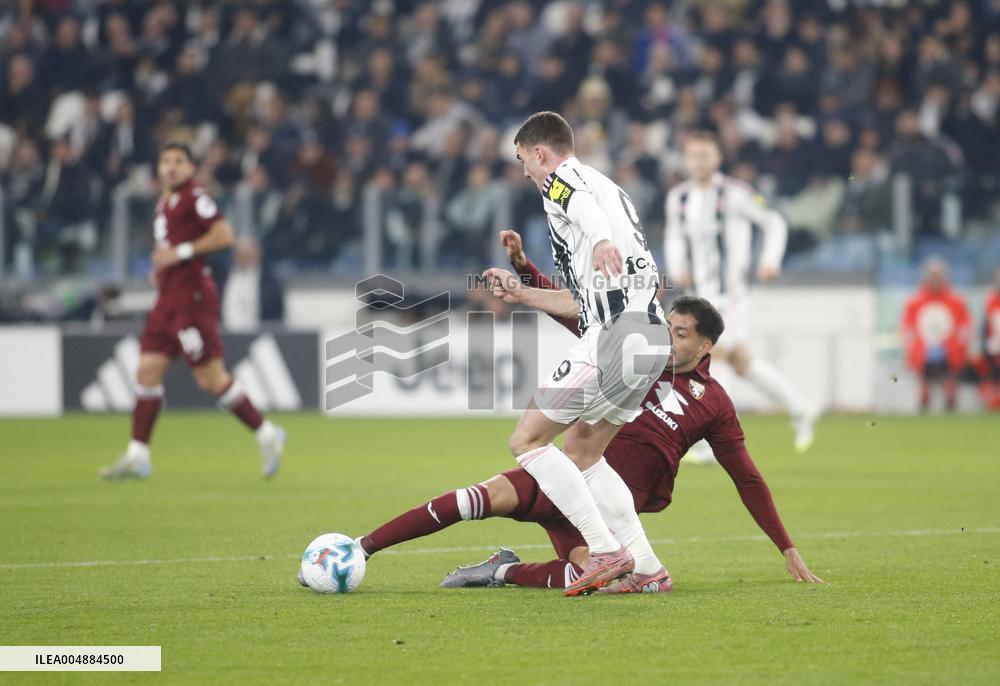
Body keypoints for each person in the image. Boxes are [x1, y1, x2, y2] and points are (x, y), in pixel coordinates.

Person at [332, 231, 821, 593]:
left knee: (599, 578)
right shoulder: (633, 351)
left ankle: (499, 570)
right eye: (667, 326)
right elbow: (571, 312)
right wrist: (524, 269)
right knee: (473, 499)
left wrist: (787, 546)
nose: (666, 336)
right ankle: (364, 547)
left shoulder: (714, 403)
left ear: (707, 345)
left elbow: (747, 478)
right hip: (565, 473)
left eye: (681, 333)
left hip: (610, 505)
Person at [481, 111, 671, 596]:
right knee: (584, 451)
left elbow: (582, 208)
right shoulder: (610, 188)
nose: (526, 173)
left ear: (541, 153)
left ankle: (604, 549)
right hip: (649, 333)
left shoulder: (565, 181)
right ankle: (647, 568)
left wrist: (601, 237)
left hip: (613, 334)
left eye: (525, 161)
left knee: (527, 441)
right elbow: (581, 298)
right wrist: (523, 289)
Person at [100, 143, 285, 480]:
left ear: (191, 168)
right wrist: (162, 270)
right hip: (167, 301)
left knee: (210, 378)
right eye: (165, 161)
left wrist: (180, 253)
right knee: (147, 372)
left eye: (179, 161)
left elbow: (225, 234)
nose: (171, 167)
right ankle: (138, 455)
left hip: (192, 302)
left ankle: (267, 434)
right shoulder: (164, 203)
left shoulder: (195, 197)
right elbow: (167, 250)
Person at [664, 130, 819, 459]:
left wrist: (769, 260)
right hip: (698, 295)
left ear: (717, 158)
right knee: (741, 362)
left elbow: (774, 221)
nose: (699, 162)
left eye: (705, 155)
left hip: (729, 295)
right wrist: (677, 266)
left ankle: (707, 440)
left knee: (709, 355)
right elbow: (674, 236)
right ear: (687, 160)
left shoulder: (736, 193)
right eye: (693, 156)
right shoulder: (678, 198)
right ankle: (801, 407)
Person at [900, 257, 972, 412]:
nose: (935, 279)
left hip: (949, 350)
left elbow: (964, 328)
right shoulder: (914, 302)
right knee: (925, 380)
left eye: (938, 275)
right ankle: (924, 402)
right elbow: (908, 329)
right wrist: (918, 349)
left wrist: (954, 348)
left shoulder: (957, 301)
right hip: (923, 350)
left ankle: (950, 403)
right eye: (932, 275)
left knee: (950, 381)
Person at [973, 268, 1000, 410]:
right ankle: (991, 398)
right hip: (993, 351)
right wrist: (986, 346)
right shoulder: (990, 301)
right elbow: (985, 328)